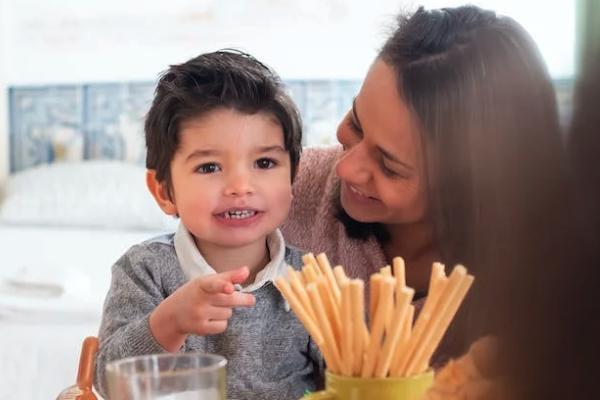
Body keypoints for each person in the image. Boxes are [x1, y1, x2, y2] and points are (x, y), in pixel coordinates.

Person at [282, 5, 571, 361]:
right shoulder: (282, 190)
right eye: (355, 123)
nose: (345, 169)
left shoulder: (542, 277)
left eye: (389, 166)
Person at [94, 50, 323, 400]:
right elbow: (108, 384)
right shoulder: (145, 270)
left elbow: (354, 376)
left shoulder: (314, 278)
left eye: (264, 162)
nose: (240, 186)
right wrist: (170, 322)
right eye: (209, 168)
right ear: (164, 191)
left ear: (293, 180)